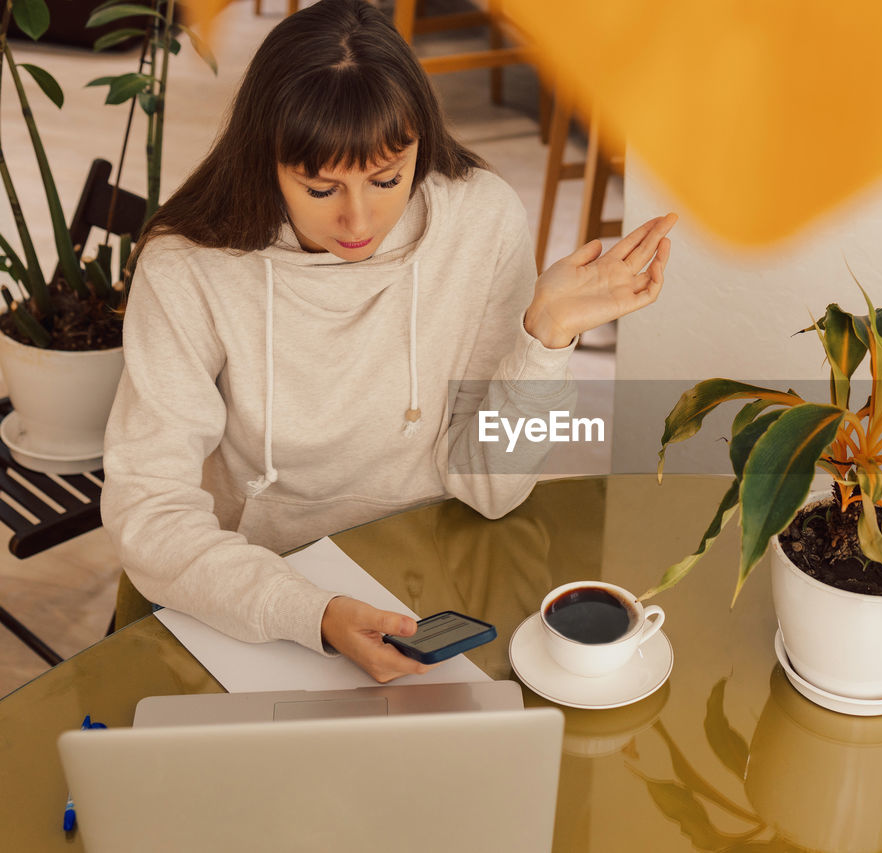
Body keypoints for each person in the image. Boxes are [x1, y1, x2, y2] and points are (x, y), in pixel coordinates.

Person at [101, 0, 675, 683]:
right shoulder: (188, 266)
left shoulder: (479, 221)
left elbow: (495, 489)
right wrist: (310, 613)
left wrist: (547, 337)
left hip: (430, 583)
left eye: (386, 179)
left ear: (417, 150)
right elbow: (150, 510)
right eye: (319, 187)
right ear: (266, 161)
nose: (358, 218)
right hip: (253, 590)